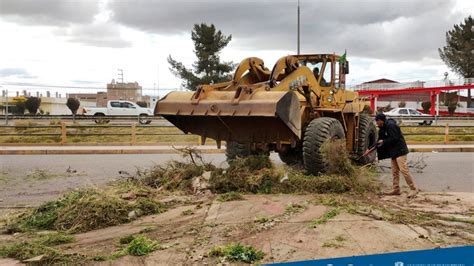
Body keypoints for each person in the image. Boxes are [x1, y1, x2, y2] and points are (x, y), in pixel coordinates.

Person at [375, 113, 418, 198]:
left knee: (404, 170)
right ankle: (396, 189)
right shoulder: (383, 127)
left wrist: (383, 141)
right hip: (393, 152)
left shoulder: (391, 126)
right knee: (394, 172)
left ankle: (413, 189)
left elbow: (395, 138)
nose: (376, 123)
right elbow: (380, 139)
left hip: (400, 151)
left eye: (377, 121)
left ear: (380, 120)